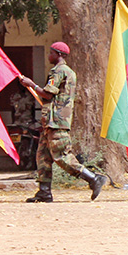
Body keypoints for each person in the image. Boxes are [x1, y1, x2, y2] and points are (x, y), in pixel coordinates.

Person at [21, 42, 107, 202]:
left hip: (57, 121)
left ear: (58, 54)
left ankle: (93, 178)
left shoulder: (59, 71)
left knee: (61, 156)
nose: (49, 56)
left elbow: (47, 94)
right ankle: (44, 192)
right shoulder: (68, 72)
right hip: (52, 121)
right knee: (43, 157)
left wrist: (31, 84)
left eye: (51, 53)